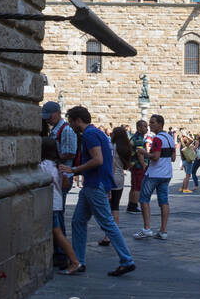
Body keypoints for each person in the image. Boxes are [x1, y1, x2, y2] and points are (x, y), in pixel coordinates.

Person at [60, 107, 135, 277]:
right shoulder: (99, 133)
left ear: (78, 120)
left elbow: (98, 159)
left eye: (71, 121)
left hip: (95, 185)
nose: (70, 125)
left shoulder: (89, 134)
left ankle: (127, 260)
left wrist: (74, 170)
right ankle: (78, 261)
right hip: (93, 185)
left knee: (107, 222)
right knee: (78, 222)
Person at [40, 138, 82, 275]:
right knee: (57, 232)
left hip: (51, 203)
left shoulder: (44, 165)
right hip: (57, 202)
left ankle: (74, 261)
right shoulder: (57, 165)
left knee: (58, 233)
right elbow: (64, 185)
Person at [42, 101, 77, 262]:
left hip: (63, 177)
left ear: (57, 113)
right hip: (58, 173)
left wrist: (52, 157)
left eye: (49, 116)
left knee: (58, 215)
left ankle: (62, 254)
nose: (47, 120)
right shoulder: (56, 129)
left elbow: (70, 153)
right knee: (57, 214)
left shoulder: (66, 130)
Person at [134, 114, 176, 240]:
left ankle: (147, 228)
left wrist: (144, 153)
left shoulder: (157, 139)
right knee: (164, 201)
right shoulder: (169, 138)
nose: (150, 125)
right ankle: (163, 230)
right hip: (166, 173)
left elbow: (155, 157)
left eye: (152, 122)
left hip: (154, 173)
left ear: (160, 124)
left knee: (144, 199)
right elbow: (173, 158)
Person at [100, 126, 132, 247]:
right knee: (115, 206)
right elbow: (126, 165)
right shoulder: (126, 148)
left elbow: (111, 163)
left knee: (108, 208)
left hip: (111, 177)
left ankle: (108, 236)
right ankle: (115, 233)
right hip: (120, 179)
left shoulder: (112, 147)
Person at [127, 120, 149, 211]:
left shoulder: (134, 137)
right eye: (144, 126)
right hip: (138, 166)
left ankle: (131, 204)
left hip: (134, 165)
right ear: (139, 127)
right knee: (138, 187)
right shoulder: (139, 138)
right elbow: (140, 153)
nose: (146, 128)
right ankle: (133, 206)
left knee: (134, 186)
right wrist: (144, 165)